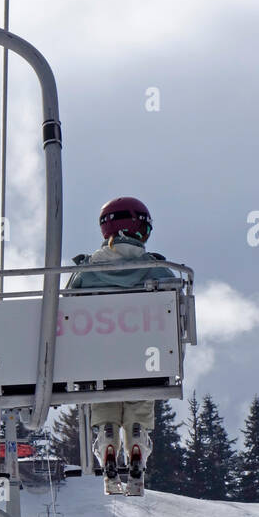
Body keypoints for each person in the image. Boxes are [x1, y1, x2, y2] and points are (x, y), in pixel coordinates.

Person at [66, 197, 175, 496]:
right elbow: (174, 306)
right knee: (140, 400)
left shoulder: (86, 273)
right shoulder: (157, 269)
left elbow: (68, 308)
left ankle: (107, 437)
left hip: (99, 362)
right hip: (147, 362)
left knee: (103, 397)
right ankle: (137, 439)